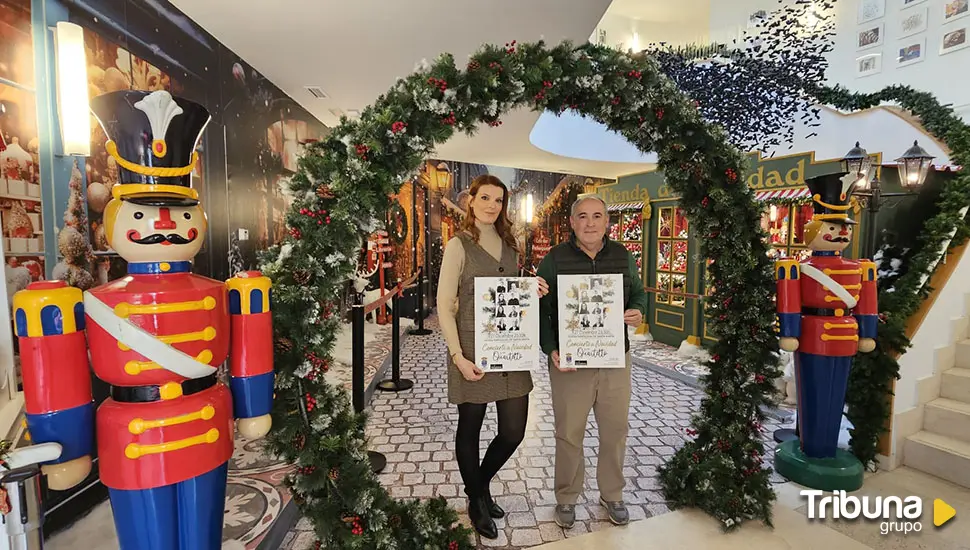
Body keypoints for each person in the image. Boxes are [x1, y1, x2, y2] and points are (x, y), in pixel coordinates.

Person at [436, 174, 549, 539]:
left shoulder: (511, 244)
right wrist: (457, 356)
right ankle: (476, 500)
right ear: (470, 200)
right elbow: (443, 304)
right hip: (472, 354)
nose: (491, 205)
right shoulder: (459, 245)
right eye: (484, 198)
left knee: (513, 430)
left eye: (498, 200)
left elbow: (509, 295)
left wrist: (532, 290)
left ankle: (479, 486)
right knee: (469, 429)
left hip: (510, 351)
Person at [537, 193, 650, 528]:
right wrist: (550, 348)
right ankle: (567, 498)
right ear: (572, 222)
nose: (590, 223)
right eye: (582, 216)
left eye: (597, 216)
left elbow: (639, 293)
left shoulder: (622, 255)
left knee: (615, 430)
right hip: (570, 364)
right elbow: (540, 307)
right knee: (569, 433)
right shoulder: (554, 259)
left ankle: (612, 494)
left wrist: (638, 311)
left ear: (607, 222)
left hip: (615, 360)